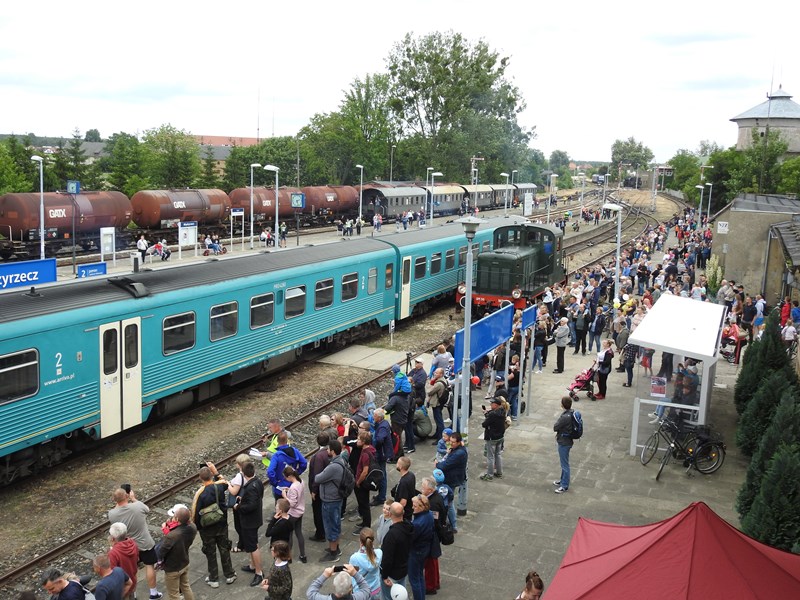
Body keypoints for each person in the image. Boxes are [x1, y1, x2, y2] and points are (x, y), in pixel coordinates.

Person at [108, 487, 162, 600]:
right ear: (127, 495)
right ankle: (153, 593)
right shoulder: (138, 506)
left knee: (131, 570)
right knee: (149, 566)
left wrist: (119, 500)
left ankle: (133, 593)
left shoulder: (112, 513)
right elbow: (147, 509)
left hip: (127, 546)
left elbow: (117, 510)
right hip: (145, 543)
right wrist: (133, 499)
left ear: (114, 500)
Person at [191, 464, 236, 588]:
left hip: (207, 529)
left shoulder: (200, 493)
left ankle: (213, 578)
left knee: (210, 552)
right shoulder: (219, 486)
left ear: (200, 478)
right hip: (221, 524)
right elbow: (225, 482)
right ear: (211, 476)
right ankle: (229, 574)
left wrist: (198, 527)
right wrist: (216, 472)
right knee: (224, 549)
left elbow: (195, 513)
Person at [314, 439, 349, 562]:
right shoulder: (341, 460)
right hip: (336, 498)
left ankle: (333, 553)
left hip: (330, 500)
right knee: (335, 523)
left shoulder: (333, 466)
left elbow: (318, 478)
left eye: (328, 449)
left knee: (330, 526)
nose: (327, 450)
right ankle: (335, 547)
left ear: (333, 451)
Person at [236, 461, 265, 587]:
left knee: (253, 547)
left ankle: (259, 572)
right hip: (255, 519)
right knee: (253, 543)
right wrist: (244, 499)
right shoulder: (257, 482)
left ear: (243, 473)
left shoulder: (250, 487)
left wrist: (239, 506)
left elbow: (251, 506)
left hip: (250, 522)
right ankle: (253, 565)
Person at [158, 506, 197, 600]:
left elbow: (161, 551)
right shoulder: (192, 527)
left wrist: (166, 531)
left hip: (173, 568)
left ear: (177, 519)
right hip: (184, 562)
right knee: (186, 587)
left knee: (174, 594)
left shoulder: (172, 536)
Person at [408, 494, 439, 600]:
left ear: (422, 507)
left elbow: (411, 539)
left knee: (414, 580)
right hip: (425, 549)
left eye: (415, 506)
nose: (412, 507)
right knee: (420, 576)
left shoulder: (417, 523)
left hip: (416, 552)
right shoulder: (429, 514)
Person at [380, 503, 414, 600]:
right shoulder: (409, 527)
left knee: (389, 596)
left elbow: (387, 558)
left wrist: (384, 576)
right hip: (403, 568)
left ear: (390, 514)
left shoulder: (391, 535)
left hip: (392, 573)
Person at [434, 432, 467, 533]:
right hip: (452, 477)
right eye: (450, 441)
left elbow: (446, 465)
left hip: (451, 479)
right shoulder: (458, 449)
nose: (450, 444)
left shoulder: (459, 453)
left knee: (448, 502)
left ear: (458, 442)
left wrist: (437, 464)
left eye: (453, 442)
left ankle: (453, 525)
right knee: (447, 501)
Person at [420, 477, 444, 596]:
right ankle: (435, 582)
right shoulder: (435, 497)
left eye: (423, 487)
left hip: (431, 536)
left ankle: (430, 586)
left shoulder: (433, 504)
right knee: (433, 561)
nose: (421, 489)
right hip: (433, 535)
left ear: (430, 490)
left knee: (430, 563)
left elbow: (434, 522)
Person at [268, 431, 308, 499]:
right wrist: (297, 473)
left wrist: (275, 483)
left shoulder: (277, 455)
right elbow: (304, 463)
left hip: (280, 488)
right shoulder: (295, 451)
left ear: (277, 441)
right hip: (293, 484)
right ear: (287, 440)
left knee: (281, 504)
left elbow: (270, 471)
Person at [309, 433, 333, 542]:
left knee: (318, 511)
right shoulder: (330, 452)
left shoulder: (319, 456)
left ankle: (320, 534)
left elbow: (316, 475)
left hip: (319, 490)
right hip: (329, 487)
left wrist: (314, 490)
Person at [282, 465, 307, 563]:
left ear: (289, 476)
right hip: (300, 512)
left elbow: (292, 504)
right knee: (299, 533)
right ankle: (303, 555)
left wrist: (285, 496)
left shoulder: (293, 487)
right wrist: (289, 491)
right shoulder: (301, 482)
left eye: (285, 477)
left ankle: (288, 557)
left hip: (293, 514)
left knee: (289, 535)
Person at [352, 430, 376, 535]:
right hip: (362, 481)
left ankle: (366, 526)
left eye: (358, 439)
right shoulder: (369, 450)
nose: (357, 441)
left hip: (362, 483)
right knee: (363, 504)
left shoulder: (366, 453)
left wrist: (358, 481)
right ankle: (364, 523)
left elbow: (365, 471)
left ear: (363, 442)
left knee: (364, 504)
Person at [107, 523, 139, 600]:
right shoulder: (133, 543)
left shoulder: (113, 553)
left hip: (123, 584)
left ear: (113, 538)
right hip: (133, 578)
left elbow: (112, 572)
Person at [386, 365, 411, 458]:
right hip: (404, 419)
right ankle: (400, 454)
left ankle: (397, 456)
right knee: (399, 437)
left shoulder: (395, 398)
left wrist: (392, 393)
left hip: (397, 420)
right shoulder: (407, 397)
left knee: (397, 438)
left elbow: (387, 408)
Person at [349, 527, 383, 597]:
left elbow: (351, 573)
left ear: (360, 541)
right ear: (373, 540)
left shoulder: (355, 558)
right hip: (375, 589)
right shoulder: (379, 553)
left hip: (360, 592)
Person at [307, 564, 371, 600]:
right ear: (350, 587)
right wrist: (355, 573)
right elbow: (367, 590)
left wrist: (324, 575)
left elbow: (310, 593)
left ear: (334, 585)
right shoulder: (358, 598)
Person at [227, 454, 250, 553]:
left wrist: (227, 484)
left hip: (238, 504)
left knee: (239, 525)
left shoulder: (239, 476)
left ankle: (241, 545)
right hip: (246, 501)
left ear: (239, 465)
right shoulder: (250, 473)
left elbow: (234, 492)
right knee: (244, 524)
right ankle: (243, 541)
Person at [371, 408, 393, 506]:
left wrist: (373, 440)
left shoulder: (382, 427)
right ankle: (381, 495)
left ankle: (381, 497)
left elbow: (379, 439)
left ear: (379, 418)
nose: (373, 417)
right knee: (382, 474)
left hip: (381, 454)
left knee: (382, 475)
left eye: (375, 416)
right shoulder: (383, 423)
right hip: (383, 453)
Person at [479, 397, 505, 481]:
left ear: (496, 405)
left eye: (492, 403)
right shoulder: (503, 411)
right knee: (498, 454)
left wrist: (487, 415)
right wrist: (488, 414)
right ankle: (499, 472)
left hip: (492, 437)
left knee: (490, 457)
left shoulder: (493, 414)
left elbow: (484, 424)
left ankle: (489, 475)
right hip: (500, 436)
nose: (490, 404)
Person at [553, 396, 575, 494]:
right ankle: (562, 480)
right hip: (568, 440)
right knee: (564, 462)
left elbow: (555, 427)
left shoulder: (564, 417)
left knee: (564, 464)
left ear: (563, 404)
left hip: (564, 442)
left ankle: (564, 485)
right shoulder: (571, 413)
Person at [426, 367, 448, 442]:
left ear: (441, 374)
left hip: (436, 403)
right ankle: (437, 434)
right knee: (438, 419)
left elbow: (429, 391)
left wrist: (429, 383)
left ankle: (440, 438)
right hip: (440, 402)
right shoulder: (443, 380)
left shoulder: (438, 383)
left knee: (439, 421)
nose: (434, 374)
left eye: (436, 373)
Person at [392, 456, 416, 522]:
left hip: (405, 513)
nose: (396, 464)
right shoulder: (411, 474)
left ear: (401, 467)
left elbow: (403, 502)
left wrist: (395, 512)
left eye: (398, 463)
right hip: (410, 508)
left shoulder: (403, 482)